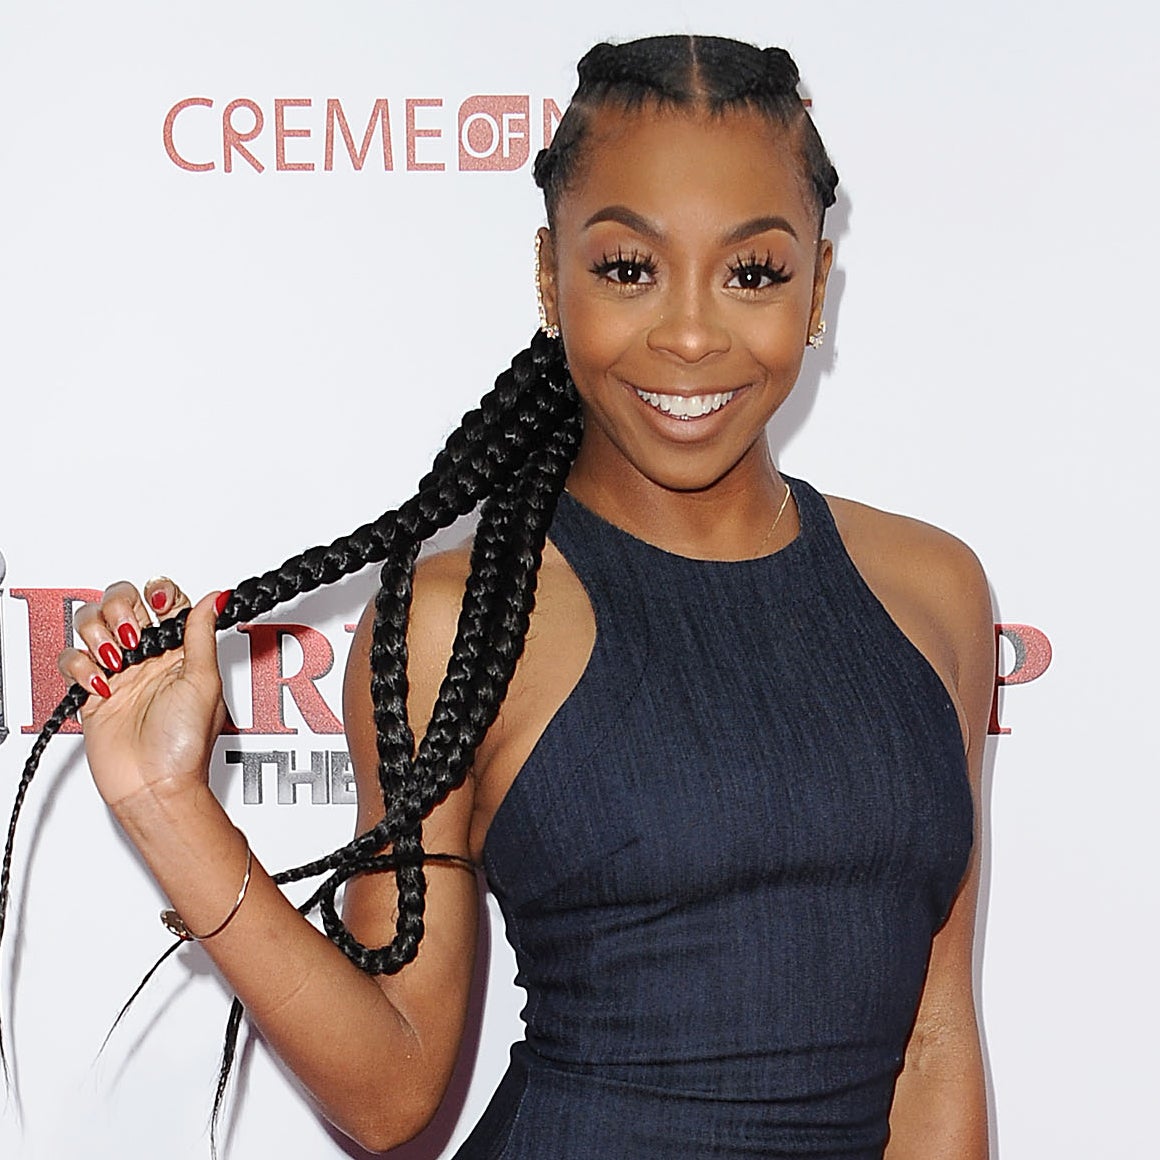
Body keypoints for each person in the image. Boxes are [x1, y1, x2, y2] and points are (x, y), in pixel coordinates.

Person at [50, 34, 993, 1160]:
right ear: (550, 276)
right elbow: (391, 1091)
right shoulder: (465, 618)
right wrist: (166, 800)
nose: (692, 333)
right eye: (628, 268)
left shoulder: (932, 590)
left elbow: (936, 1037)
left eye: (752, 272)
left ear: (817, 286)